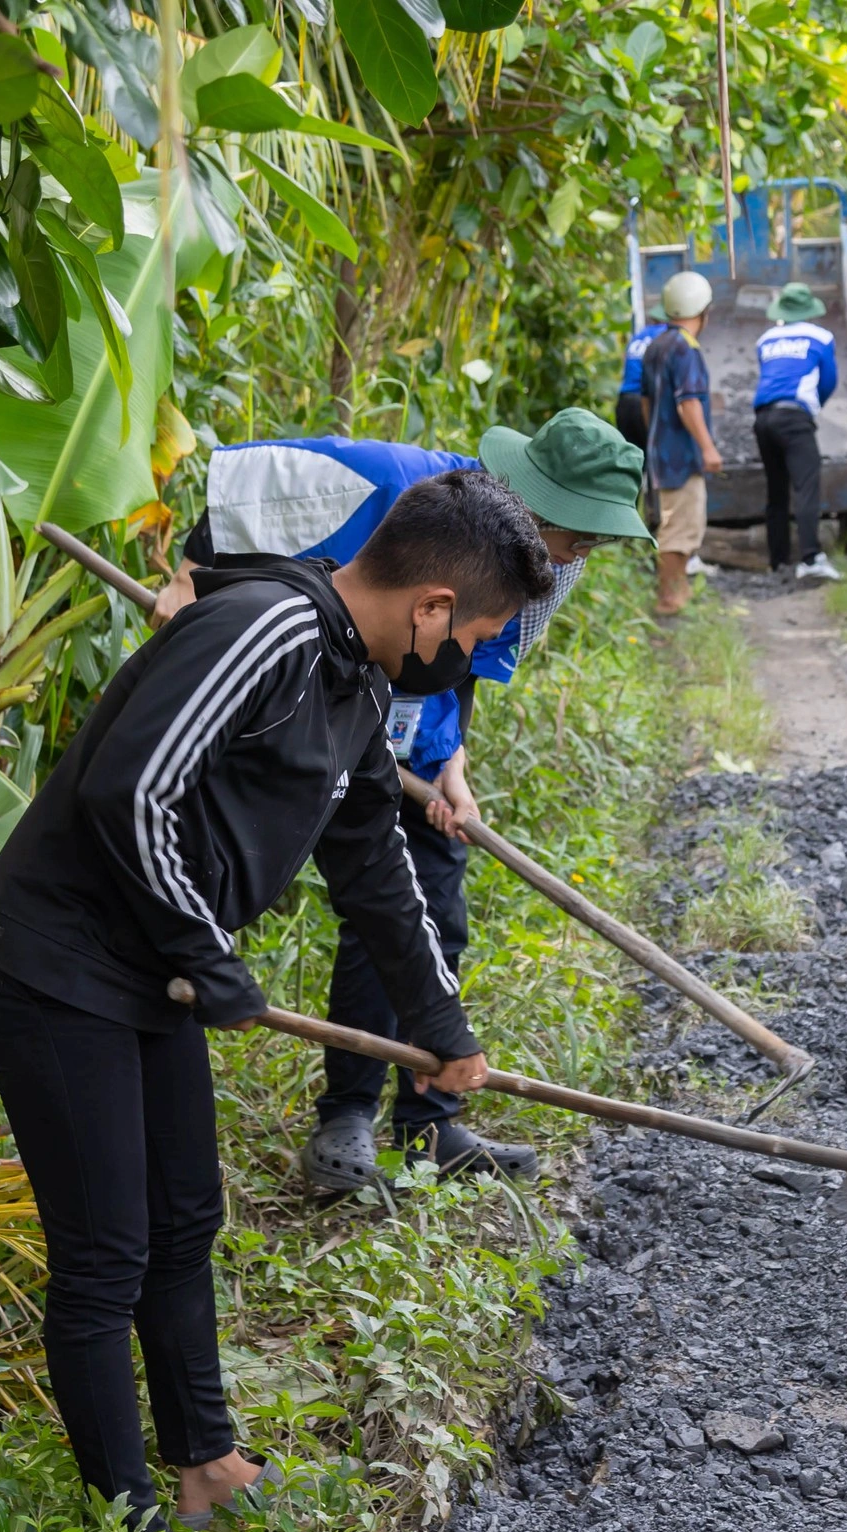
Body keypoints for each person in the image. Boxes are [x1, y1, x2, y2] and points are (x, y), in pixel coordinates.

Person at [0, 473, 553, 1532]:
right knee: (106, 1252)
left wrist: (440, 1028)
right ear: (431, 611)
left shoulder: (359, 685)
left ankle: (205, 1460)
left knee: (184, 1220)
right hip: (54, 962)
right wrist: (208, 953)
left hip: (153, 967)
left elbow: (373, 863)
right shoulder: (262, 629)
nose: (474, 658)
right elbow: (127, 791)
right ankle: (126, 1518)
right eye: (481, 634)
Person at [159, 412, 650, 1193]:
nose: (581, 556)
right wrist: (188, 575)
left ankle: (428, 1120)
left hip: (409, 736)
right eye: (580, 538)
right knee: (376, 904)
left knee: (434, 912)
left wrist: (452, 762)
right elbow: (255, 482)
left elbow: (466, 656)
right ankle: (346, 1117)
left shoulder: (552, 562)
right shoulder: (402, 483)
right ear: (539, 502)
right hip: (316, 712)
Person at [640, 269, 720, 614]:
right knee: (680, 528)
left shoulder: (655, 345)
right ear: (704, 310)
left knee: (675, 523)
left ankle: (680, 592)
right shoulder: (687, 349)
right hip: (682, 455)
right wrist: (707, 447)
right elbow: (688, 402)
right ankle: (669, 598)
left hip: (660, 452)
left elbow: (646, 402)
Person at [750, 280, 841, 581]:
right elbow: (828, 380)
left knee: (776, 490)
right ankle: (811, 558)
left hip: (763, 420)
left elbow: (770, 376)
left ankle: (777, 561)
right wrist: (812, 407)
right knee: (806, 486)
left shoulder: (765, 340)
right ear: (809, 309)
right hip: (794, 418)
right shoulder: (821, 337)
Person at [616, 302, 669, 451]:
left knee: (632, 459)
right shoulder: (665, 335)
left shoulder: (639, 336)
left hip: (625, 402)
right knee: (654, 456)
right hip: (645, 403)